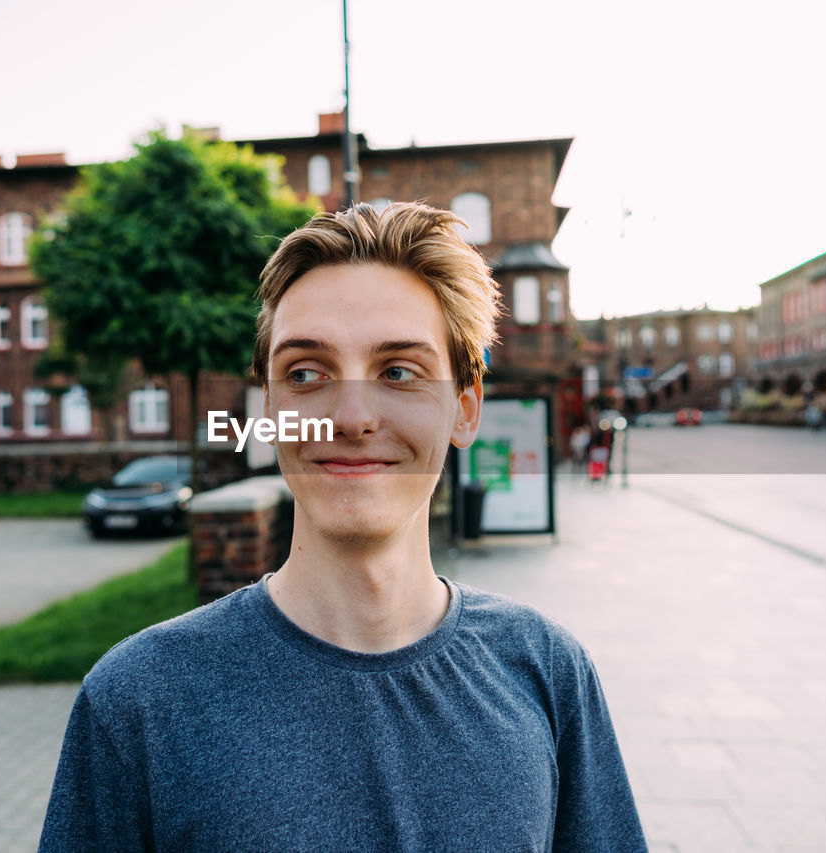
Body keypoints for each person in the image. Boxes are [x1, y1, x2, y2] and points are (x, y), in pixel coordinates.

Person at [39, 202, 647, 852]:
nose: (351, 416)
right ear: (269, 409)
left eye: (398, 371)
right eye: (306, 373)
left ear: (464, 409)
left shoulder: (546, 672)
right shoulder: (139, 700)